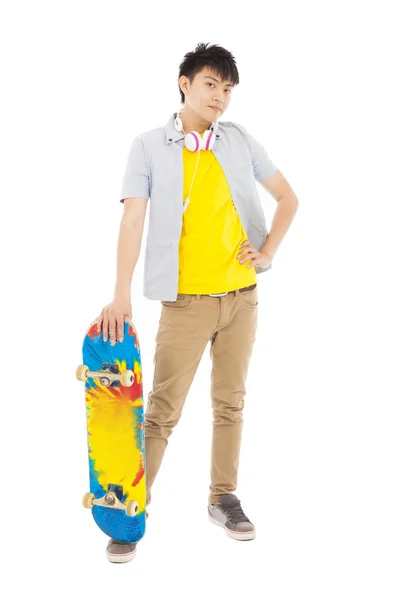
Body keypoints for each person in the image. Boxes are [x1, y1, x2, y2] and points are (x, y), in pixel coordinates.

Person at [97, 42, 299, 563]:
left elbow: (288, 198)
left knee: (230, 403)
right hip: (185, 303)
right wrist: (120, 295)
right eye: (211, 84)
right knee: (161, 411)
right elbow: (133, 220)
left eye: (228, 89)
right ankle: (130, 511)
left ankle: (223, 497)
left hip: (242, 297)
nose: (220, 97)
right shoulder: (148, 146)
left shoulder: (237, 140)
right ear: (184, 82)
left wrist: (267, 251)